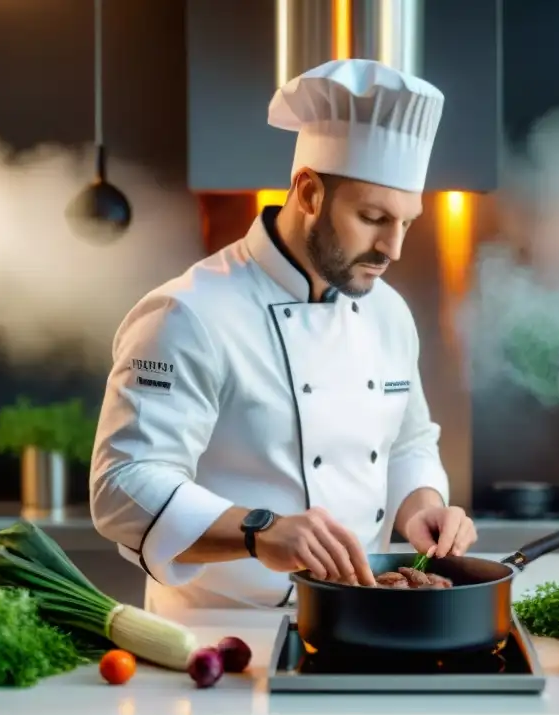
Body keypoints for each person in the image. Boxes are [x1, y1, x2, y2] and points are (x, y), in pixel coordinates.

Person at [89, 58, 477, 616]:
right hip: (220, 633)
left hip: (358, 620)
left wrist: (421, 506)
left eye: (406, 222)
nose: (392, 248)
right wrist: (258, 530)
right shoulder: (188, 313)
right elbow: (123, 485)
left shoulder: (388, 311)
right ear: (310, 192)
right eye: (372, 217)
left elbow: (409, 443)